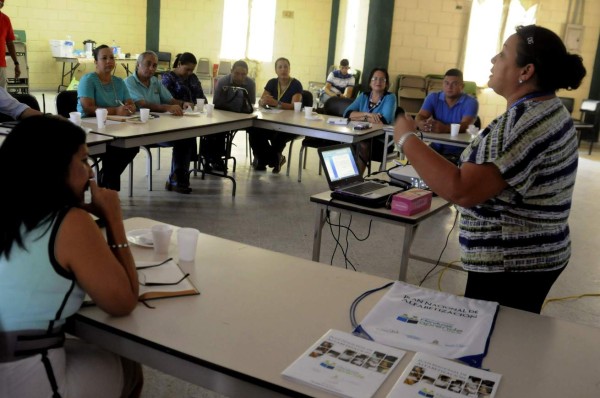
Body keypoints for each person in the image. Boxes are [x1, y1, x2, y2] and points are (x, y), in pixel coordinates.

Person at [394, 24, 586, 314]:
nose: (493, 60)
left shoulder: (525, 124)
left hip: (512, 263)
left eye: (503, 54)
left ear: (526, 71)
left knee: (493, 343)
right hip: (529, 256)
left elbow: (462, 189)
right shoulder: (545, 109)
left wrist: (407, 138)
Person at [0, 116, 143, 397]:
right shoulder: (69, 221)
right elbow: (122, 301)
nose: (90, 173)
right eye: (83, 160)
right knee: (128, 364)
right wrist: (114, 220)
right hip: (27, 378)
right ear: (54, 166)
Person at [125, 51, 197, 194]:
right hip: (140, 132)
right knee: (183, 138)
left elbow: (170, 100)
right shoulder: (128, 82)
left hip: (159, 128)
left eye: (155, 65)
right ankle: (178, 177)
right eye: (148, 64)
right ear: (138, 64)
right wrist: (167, 108)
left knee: (186, 135)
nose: (152, 68)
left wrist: (183, 104)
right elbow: (142, 104)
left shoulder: (155, 82)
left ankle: (177, 178)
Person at [77, 44, 140, 191]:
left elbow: (129, 102)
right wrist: (117, 111)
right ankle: (108, 187)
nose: (108, 61)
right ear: (95, 62)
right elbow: (88, 108)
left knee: (132, 145)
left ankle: (106, 180)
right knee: (113, 150)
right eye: (104, 58)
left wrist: (130, 107)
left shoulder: (118, 82)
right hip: (91, 128)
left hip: (114, 127)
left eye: (111, 57)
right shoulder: (88, 80)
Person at [162, 52, 221, 175]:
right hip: (176, 116)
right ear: (179, 64)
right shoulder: (168, 77)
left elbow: (202, 97)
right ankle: (188, 165)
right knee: (187, 135)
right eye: (187, 69)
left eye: (192, 70)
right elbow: (166, 99)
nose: (189, 73)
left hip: (194, 114)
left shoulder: (193, 77)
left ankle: (210, 158)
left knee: (213, 128)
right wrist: (184, 104)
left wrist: (200, 104)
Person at [252, 57, 303, 172]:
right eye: (280, 67)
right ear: (276, 70)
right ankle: (272, 159)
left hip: (289, 123)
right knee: (255, 130)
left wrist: (277, 103)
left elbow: (295, 106)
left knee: (279, 136)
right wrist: (262, 101)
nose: (283, 69)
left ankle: (266, 159)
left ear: (289, 69)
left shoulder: (296, 84)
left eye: (286, 66)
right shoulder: (272, 82)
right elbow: (261, 100)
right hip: (272, 120)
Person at [416, 68, 479, 160]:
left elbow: (466, 125)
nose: (449, 87)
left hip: (461, 149)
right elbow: (421, 115)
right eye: (446, 83)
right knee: (418, 160)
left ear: (462, 86)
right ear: (442, 84)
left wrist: (445, 128)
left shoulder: (471, 102)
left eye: (454, 83)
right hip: (437, 145)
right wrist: (420, 123)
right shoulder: (433, 97)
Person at [343, 67, 397, 175]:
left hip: (382, 140)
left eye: (382, 79)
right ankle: (346, 177)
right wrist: (367, 115)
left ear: (386, 84)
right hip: (360, 134)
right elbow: (347, 114)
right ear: (369, 82)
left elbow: (383, 120)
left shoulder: (390, 97)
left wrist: (359, 116)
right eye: (375, 79)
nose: (378, 82)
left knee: (363, 144)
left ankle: (356, 180)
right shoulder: (364, 96)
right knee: (344, 141)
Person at [0, 1, 20, 89]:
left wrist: (16, 63)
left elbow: (10, 43)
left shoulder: (5, 19)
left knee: (2, 97)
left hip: (1, 65)